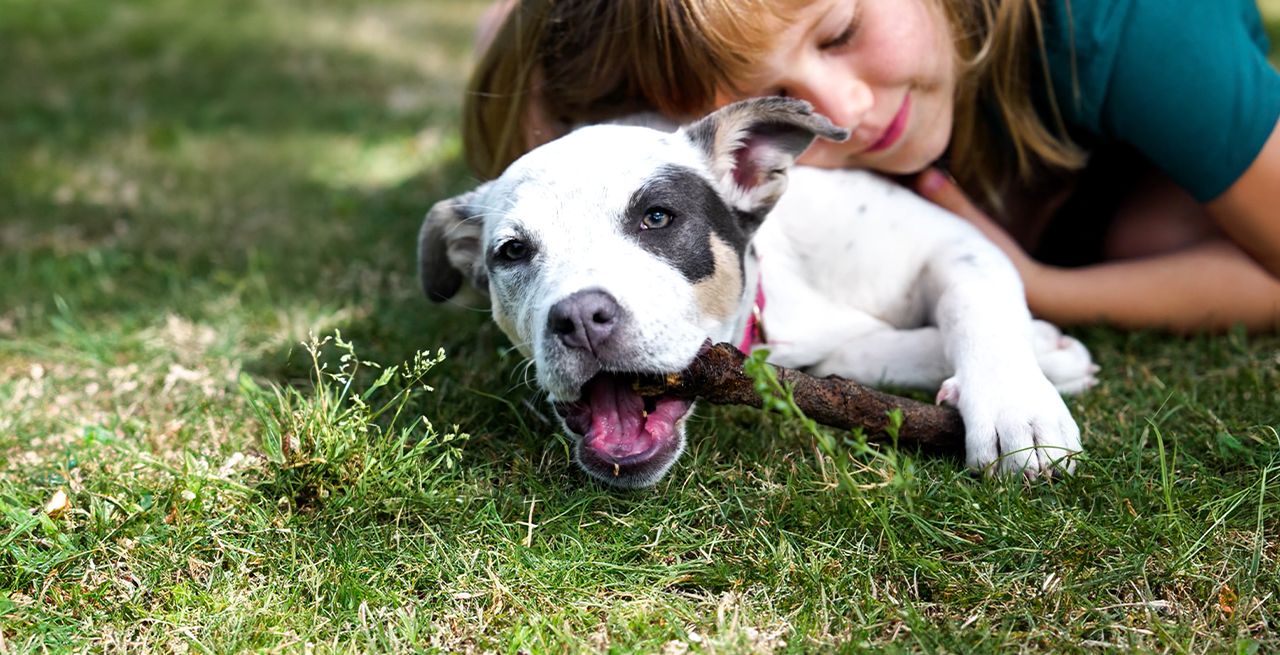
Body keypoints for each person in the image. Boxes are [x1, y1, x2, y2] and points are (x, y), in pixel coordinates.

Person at [463, 0, 1280, 333]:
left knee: (1150, 231)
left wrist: (1036, 284)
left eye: (843, 29)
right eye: (777, 93)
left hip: (1133, 160)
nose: (846, 111)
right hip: (1009, 147)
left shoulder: (1142, 26)